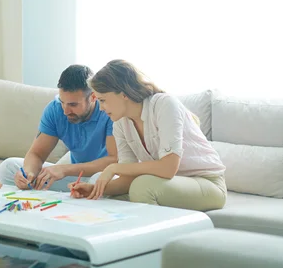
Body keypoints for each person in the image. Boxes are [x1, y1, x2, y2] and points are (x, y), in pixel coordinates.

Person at [70, 59, 226, 211]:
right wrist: (95, 189)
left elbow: (168, 168)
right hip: (168, 183)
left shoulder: (164, 104)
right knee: (108, 197)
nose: (101, 108)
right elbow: (128, 177)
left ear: (123, 94)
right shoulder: (120, 123)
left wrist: (113, 168)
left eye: (103, 100)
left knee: (142, 186)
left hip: (207, 184)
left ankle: (155, 237)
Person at [0, 64, 117, 192]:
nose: (65, 111)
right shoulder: (55, 109)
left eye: (73, 104)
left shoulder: (108, 110)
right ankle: (80, 190)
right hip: (75, 172)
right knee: (8, 167)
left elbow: (114, 159)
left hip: (102, 173)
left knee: (99, 181)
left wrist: (64, 169)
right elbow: (37, 154)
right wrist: (28, 174)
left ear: (93, 97)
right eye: (62, 102)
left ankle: (86, 189)